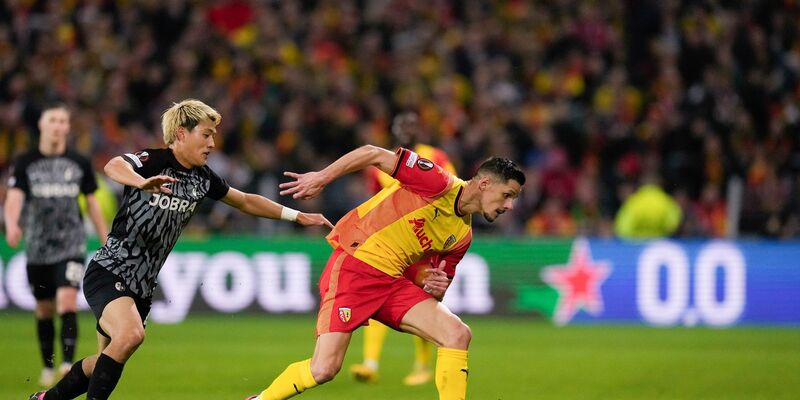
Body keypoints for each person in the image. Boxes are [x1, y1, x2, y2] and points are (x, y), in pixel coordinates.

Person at [27, 99, 333, 400]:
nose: (212, 143)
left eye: (213, 135)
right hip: (109, 270)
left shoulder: (203, 178)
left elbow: (243, 200)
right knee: (130, 335)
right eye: (206, 134)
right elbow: (113, 165)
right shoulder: (153, 160)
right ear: (182, 133)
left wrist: (296, 216)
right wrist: (141, 182)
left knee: (104, 361)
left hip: (142, 286)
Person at [246, 144, 525, 400]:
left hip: (392, 283)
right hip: (356, 266)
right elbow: (373, 153)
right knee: (324, 369)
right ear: (485, 184)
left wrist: (436, 287)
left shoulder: (462, 237)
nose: (509, 206)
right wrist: (322, 177)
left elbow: (435, 289)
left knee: (457, 334)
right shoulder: (438, 183)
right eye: (507, 195)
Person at [5, 103, 109, 388]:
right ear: (41, 124)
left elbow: (91, 202)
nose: (58, 126)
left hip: (71, 245)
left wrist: (105, 237)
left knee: (67, 300)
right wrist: (11, 224)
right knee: (44, 309)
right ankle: (48, 366)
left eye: (63, 121)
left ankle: (66, 365)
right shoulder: (25, 162)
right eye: (53, 120)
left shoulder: (79, 162)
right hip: (38, 248)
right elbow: (14, 197)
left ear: (67, 127)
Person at [352, 111, 457, 386]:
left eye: (412, 126)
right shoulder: (382, 162)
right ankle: (370, 363)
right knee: (378, 296)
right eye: (402, 125)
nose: (406, 130)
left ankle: (422, 365)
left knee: (424, 301)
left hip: (423, 244)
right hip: (392, 243)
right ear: (394, 130)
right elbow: (376, 201)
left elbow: (454, 194)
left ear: (420, 130)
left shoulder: (436, 156)